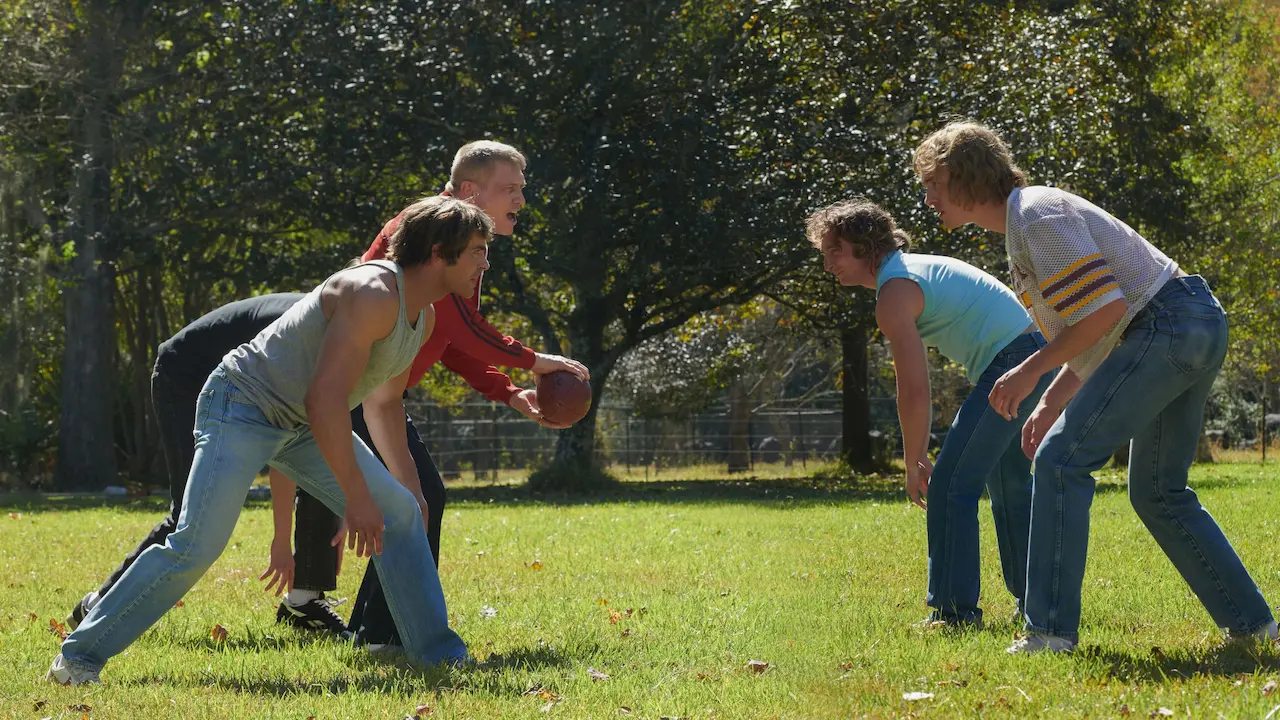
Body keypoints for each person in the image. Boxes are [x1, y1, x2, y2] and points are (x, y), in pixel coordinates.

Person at [48, 196, 487, 685]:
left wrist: (411, 491)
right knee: (197, 542)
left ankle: (438, 657)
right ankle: (79, 657)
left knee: (402, 514)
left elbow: (380, 405)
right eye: (475, 251)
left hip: (298, 424)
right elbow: (325, 399)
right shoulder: (373, 293)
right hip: (241, 406)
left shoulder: (420, 316)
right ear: (436, 251)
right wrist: (357, 499)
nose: (484, 263)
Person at [913, 120, 1277, 654]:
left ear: (961, 176)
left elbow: (1105, 312)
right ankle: (1257, 629)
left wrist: (1030, 371)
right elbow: (1094, 332)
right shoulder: (1024, 226)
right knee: (1158, 491)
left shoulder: (1035, 213)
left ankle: (1050, 631)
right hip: (1187, 325)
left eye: (931, 184)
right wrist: (1050, 404)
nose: (927, 198)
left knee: (1061, 461)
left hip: (1166, 326)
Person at [339, 140, 590, 649]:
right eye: (510, 189)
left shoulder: (466, 238)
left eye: (522, 188)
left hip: (376, 395)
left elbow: (448, 338)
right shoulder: (430, 230)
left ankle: (374, 630)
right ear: (471, 190)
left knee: (415, 499)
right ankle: (383, 634)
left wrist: (511, 391)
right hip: (346, 394)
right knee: (418, 499)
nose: (520, 199)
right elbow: (462, 325)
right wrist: (535, 361)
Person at [806, 198, 1053, 629]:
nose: (827, 265)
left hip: (1015, 362)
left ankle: (954, 613)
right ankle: (1038, 604)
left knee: (950, 484)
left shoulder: (895, 291)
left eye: (834, 252)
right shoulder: (910, 272)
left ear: (865, 247)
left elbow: (915, 391)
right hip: (1035, 355)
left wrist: (916, 459)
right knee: (1009, 483)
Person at [65, 293, 350, 637]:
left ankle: (305, 600)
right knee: (190, 515)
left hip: (230, 381)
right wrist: (279, 542)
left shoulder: (346, 327)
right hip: (184, 375)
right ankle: (97, 607)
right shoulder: (319, 331)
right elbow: (285, 447)